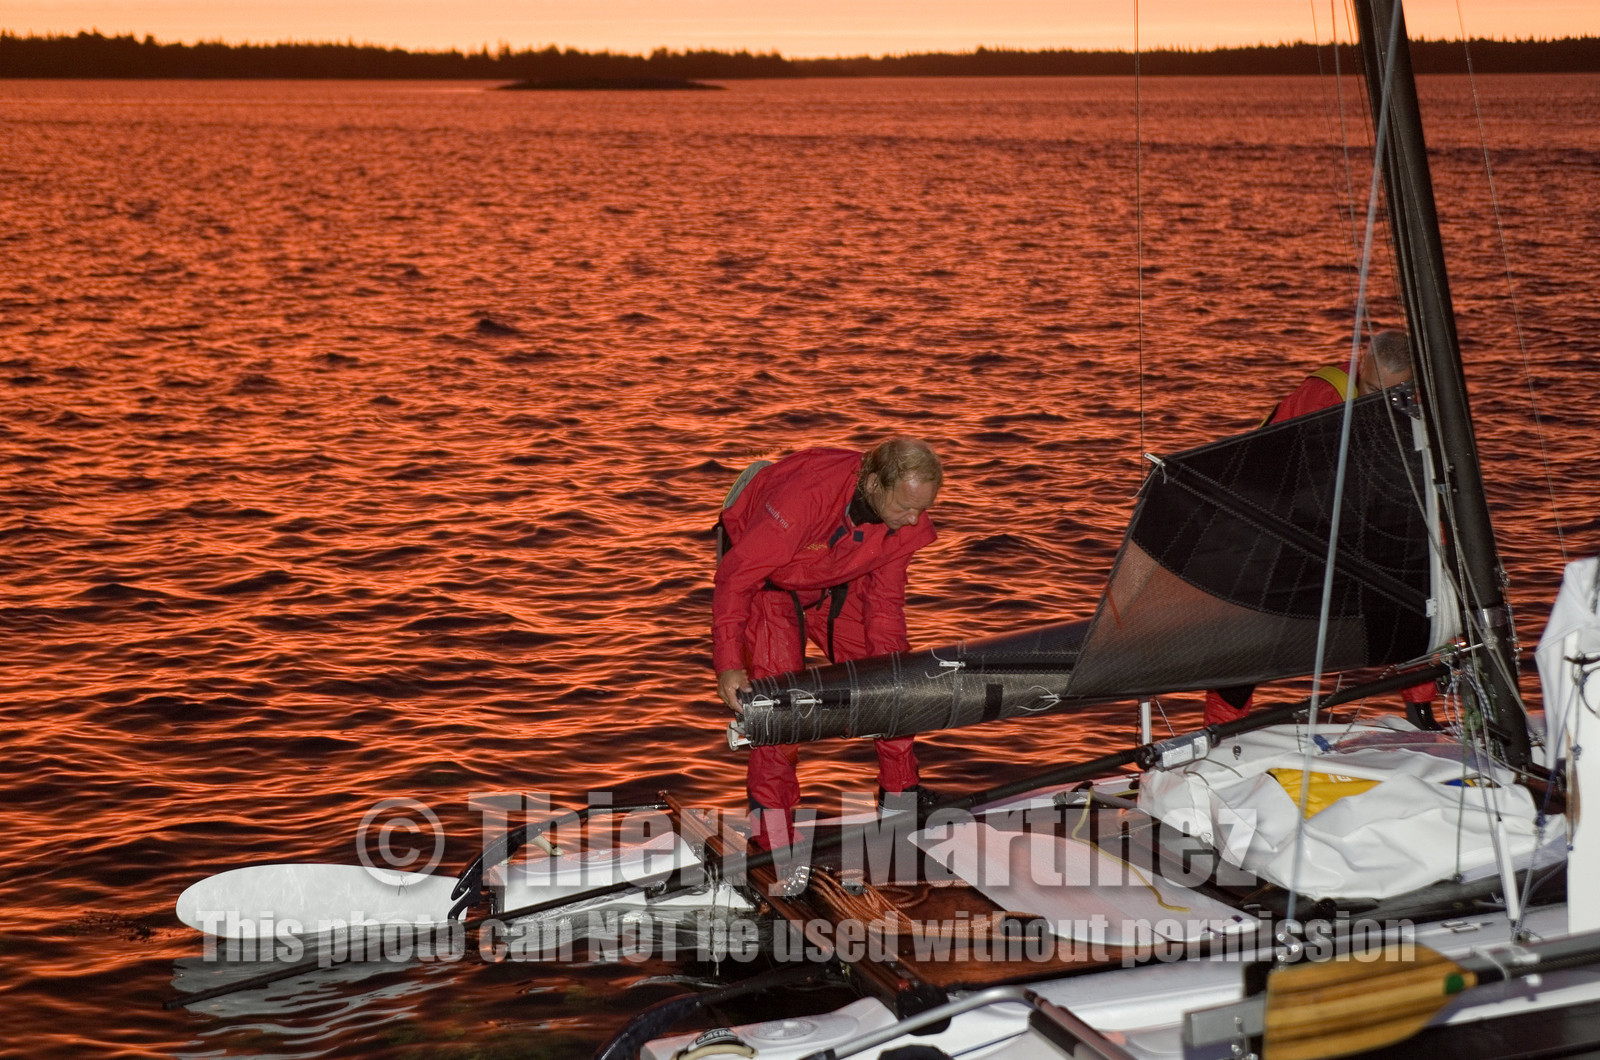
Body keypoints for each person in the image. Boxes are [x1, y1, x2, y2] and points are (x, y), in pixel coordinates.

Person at [713, 437, 941, 849]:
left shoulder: (899, 521)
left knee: (894, 686)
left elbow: (885, 607)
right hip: (769, 585)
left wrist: (892, 677)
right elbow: (736, 577)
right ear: (873, 484)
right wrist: (729, 663)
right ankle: (772, 835)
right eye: (905, 507)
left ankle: (900, 804)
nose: (913, 520)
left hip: (834, 574)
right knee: (779, 710)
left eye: (921, 509)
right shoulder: (806, 498)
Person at [1204, 329, 1435, 726]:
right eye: (1374, 389)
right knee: (1254, 633)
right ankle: (1217, 729)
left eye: (1393, 394)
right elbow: (1292, 479)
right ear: (1361, 365)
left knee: (1421, 599)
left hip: (1357, 522)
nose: (1382, 402)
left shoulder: (1414, 406)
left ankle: (1424, 714)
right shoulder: (1325, 398)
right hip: (1283, 524)